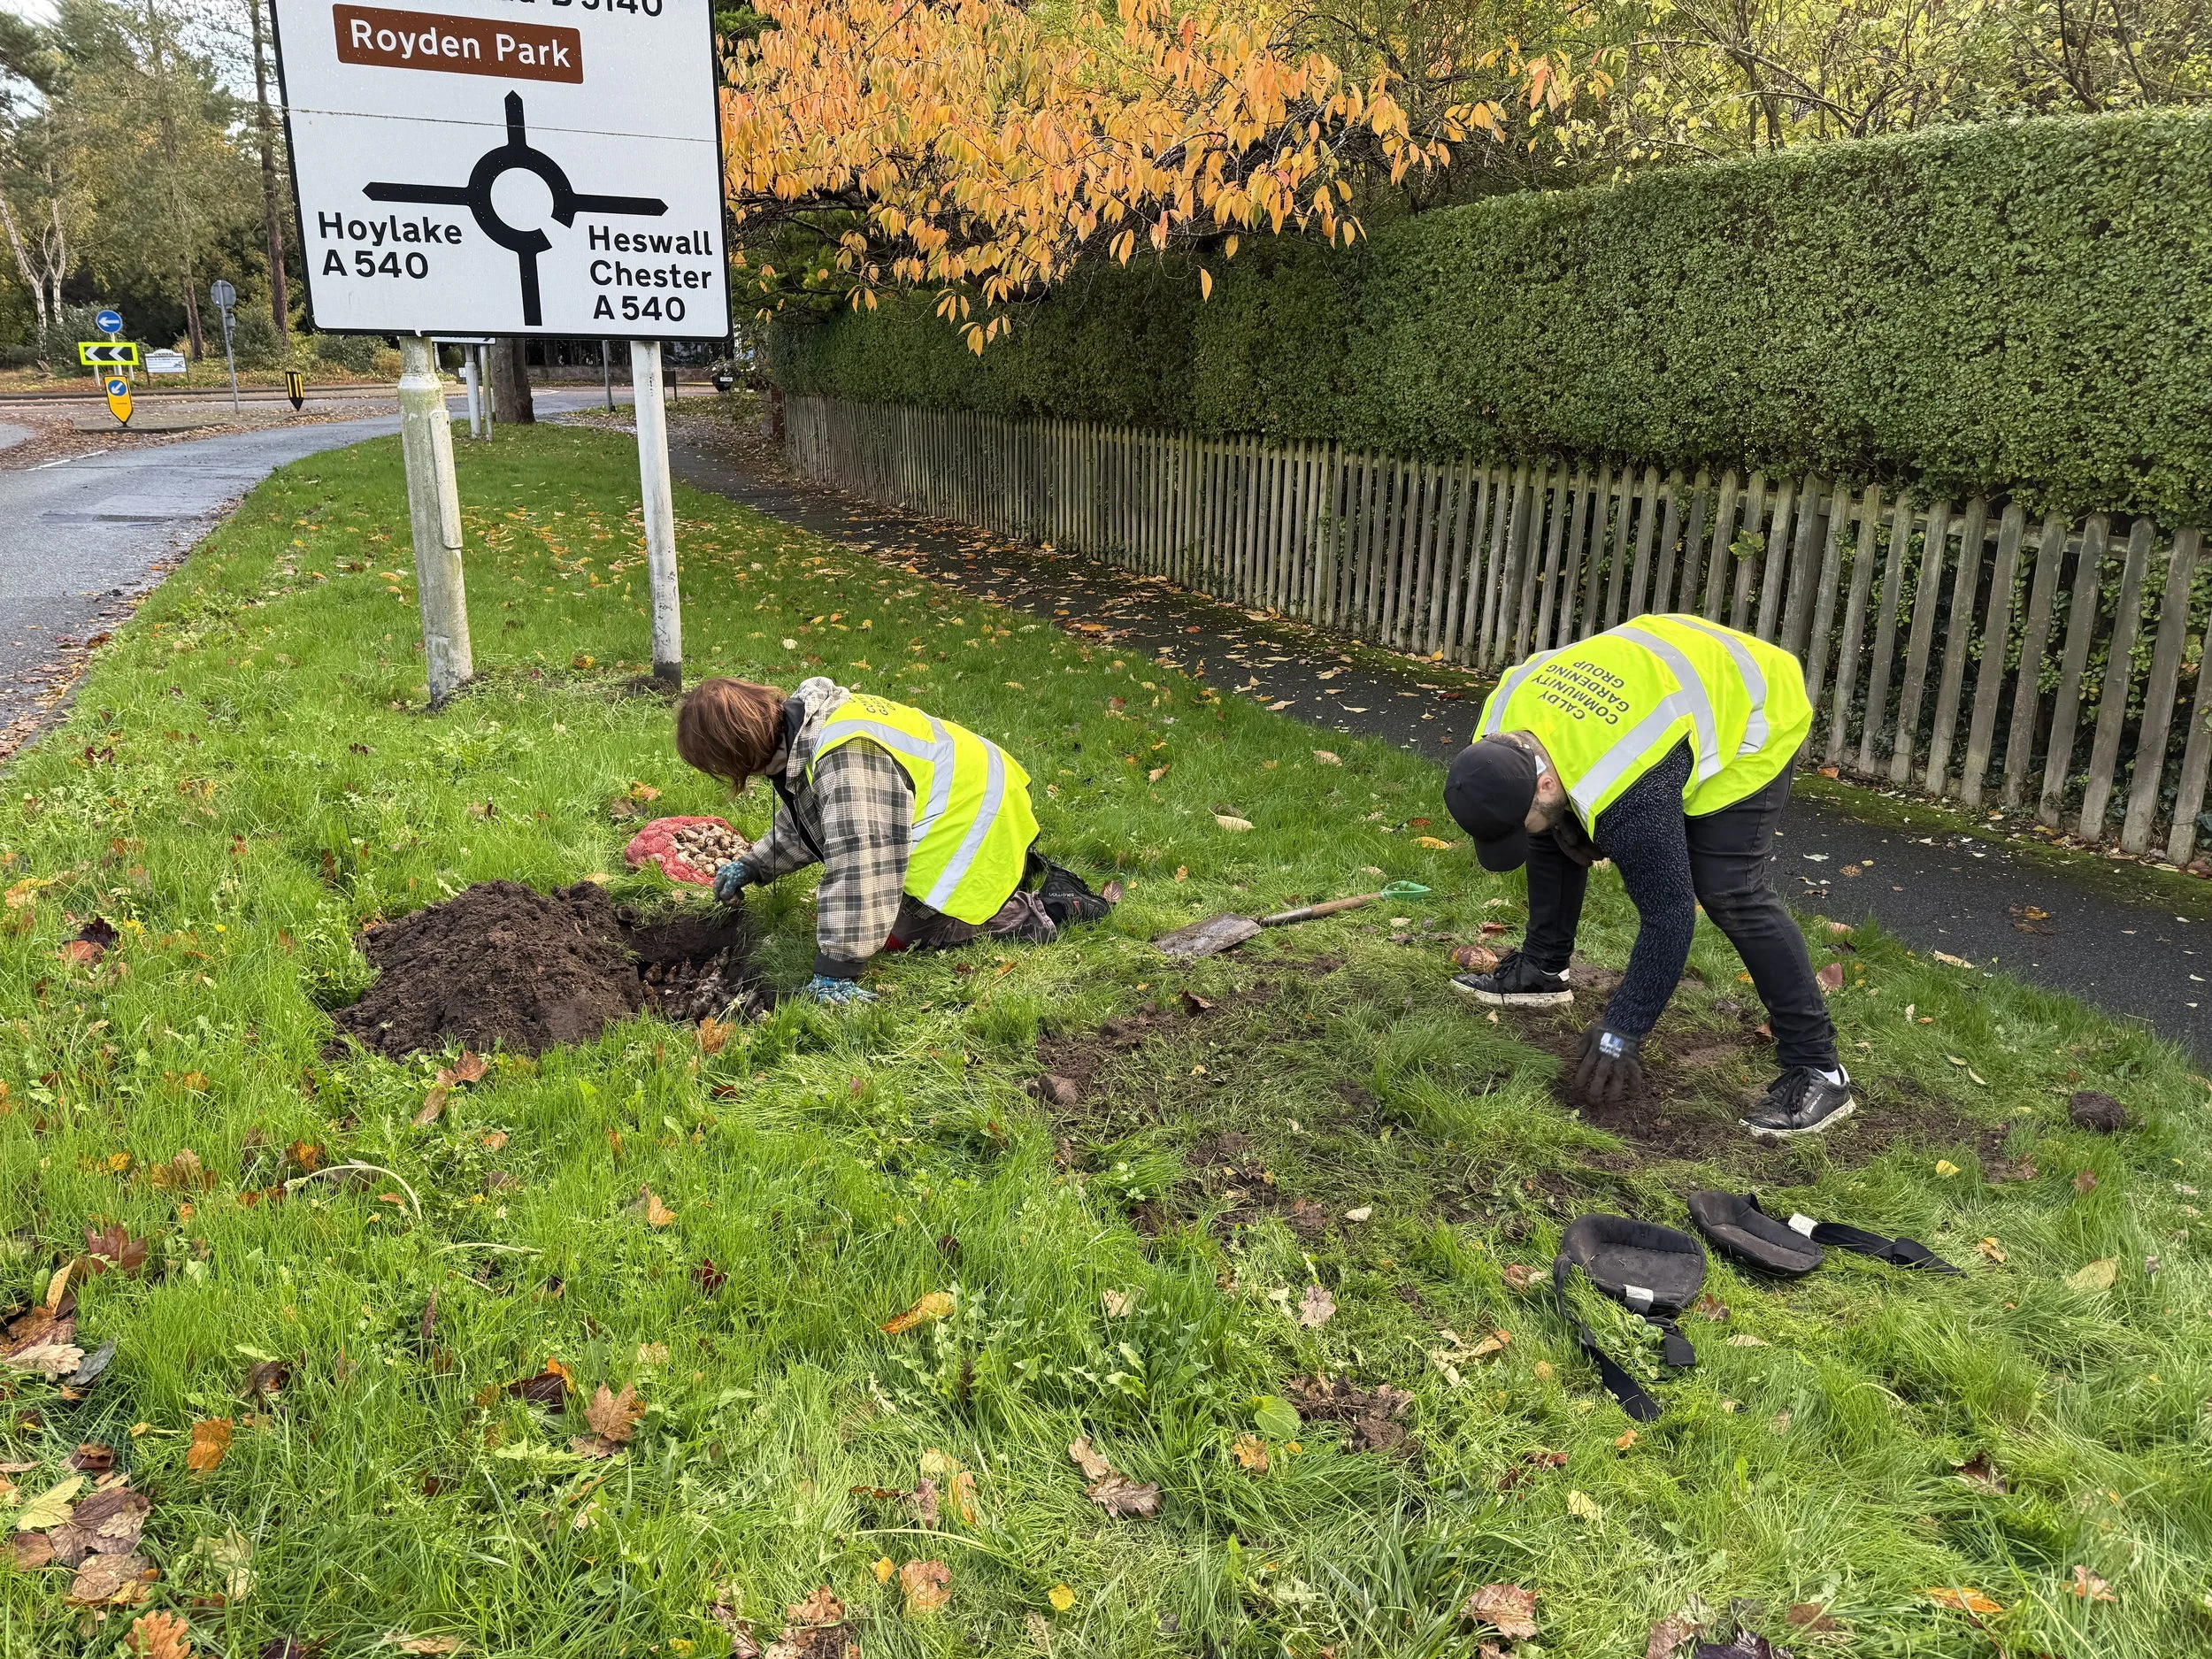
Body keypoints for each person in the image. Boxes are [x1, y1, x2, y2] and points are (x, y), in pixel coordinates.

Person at [1440, 615, 1851, 1140]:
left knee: (1728, 888)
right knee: (1550, 826)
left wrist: (1621, 1030)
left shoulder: (1628, 787)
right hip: (1663, 670)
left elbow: (1669, 916)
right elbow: (1543, 812)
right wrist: (1548, 823)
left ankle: (1820, 1070)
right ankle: (1543, 970)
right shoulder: (1500, 726)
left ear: (1541, 781)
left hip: (1753, 702)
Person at [673, 676, 1110, 1002]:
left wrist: (836, 969)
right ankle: (1012, 877)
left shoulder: (845, 758)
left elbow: (864, 861)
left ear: (737, 752)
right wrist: (753, 864)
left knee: (900, 932)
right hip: (966, 806)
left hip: (977, 822)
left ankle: (1043, 908)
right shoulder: (803, 731)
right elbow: (813, 819)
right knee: (874, 916)